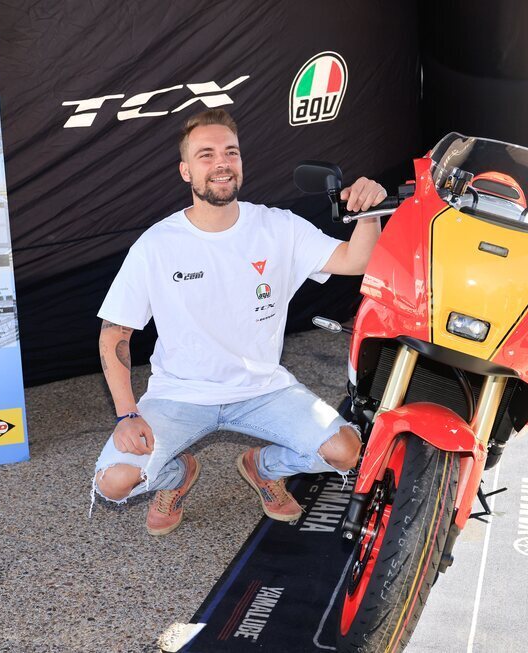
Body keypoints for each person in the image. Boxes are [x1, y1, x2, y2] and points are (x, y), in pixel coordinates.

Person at [91, 108, 386, 535]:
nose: (221, 162)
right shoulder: (157, 244)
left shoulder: (277, 227)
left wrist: (368, 211)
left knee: (344, 451)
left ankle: (264, 467)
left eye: (230, 152)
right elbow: (115, 333)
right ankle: (175, 475)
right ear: (186, 171)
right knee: (114, 484)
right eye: (206, 155)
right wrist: (125, 415)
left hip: (263, 389)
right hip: (180, 394)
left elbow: (356, 260)